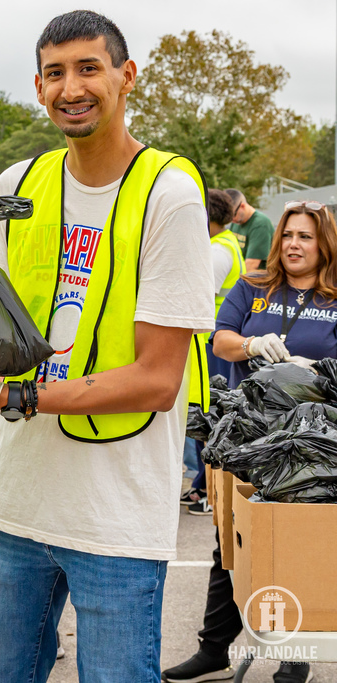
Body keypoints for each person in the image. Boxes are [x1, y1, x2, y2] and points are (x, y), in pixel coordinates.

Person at [0, 11, 215, 682]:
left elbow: (158, 379)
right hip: (17, 501)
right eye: (55, 73)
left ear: (126, 76)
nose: (72, 88)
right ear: (38, 87)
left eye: (89, 68)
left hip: (116, 515)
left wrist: (10, 396)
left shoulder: (169, 194)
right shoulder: (18, 184)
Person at [161, 201, 335, 683]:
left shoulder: (334, 297)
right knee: (230, 547)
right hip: (246, 437)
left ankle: (294, 659)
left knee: (296, 547)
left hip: (307, 449)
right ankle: (213, 651)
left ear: (325, 244)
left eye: (306, 237)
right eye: (288, 236)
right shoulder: (254, 286)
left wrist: (317, 371)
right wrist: (251, 345)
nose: (294, 245)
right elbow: (220, 339)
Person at [180, 189, 246, 515]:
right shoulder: (224, 244)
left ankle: (208, 490)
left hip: (212, 344)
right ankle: (201, 485)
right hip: (211, 342)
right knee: (204, 414)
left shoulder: (218, 251)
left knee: (207, 415)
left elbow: (199, 295)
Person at [225, 188, 275, 272]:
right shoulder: (236, 222)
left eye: (233, 215)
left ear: (242, 206)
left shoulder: (260, 224)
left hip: (256, 277)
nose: (231, 220)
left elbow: (251, 265)